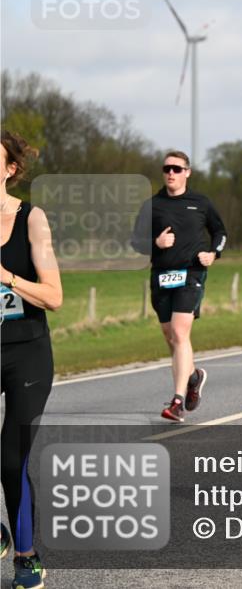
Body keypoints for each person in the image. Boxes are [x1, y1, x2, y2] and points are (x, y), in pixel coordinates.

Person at [1, 131, 63, 589]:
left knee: (10, 458)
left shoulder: (31, 218)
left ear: (10, 169)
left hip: (27, 352)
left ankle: (26, 556)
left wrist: (5, 276)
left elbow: (54, 296)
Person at [131, 151, 227, 422]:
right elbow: (135, 242)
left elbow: (220, 232)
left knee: (179, 332)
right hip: (161, 276)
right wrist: (155, 244)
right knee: (171, 338)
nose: (171, 173)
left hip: (191, 274)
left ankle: (177, 402)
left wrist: (213, 254)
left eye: (176, 168)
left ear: (187, 172)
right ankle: (194, 376)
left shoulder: (201, 203)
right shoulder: (152, 205)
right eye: (166, 168)